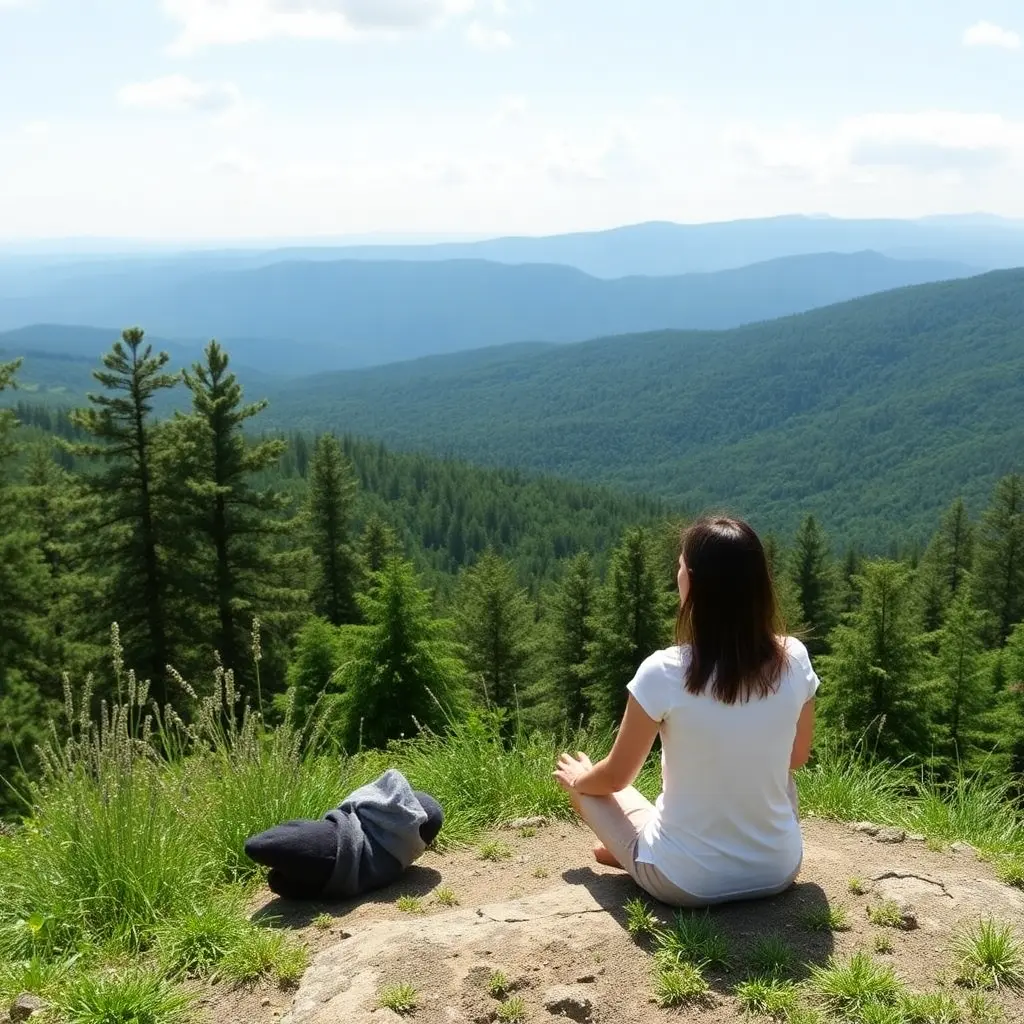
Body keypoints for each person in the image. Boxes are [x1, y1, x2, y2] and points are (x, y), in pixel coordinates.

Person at [553, 515, 818, 908]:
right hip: (778, 871)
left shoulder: (665, 671)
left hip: (686, 883)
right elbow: (796, 758)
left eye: (679, 566)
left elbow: (614, 778)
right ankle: (634, 846)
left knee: (584, 791)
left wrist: (579, 780)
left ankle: (635, 850)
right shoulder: (793, 657)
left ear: (692, 582)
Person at [245, 769, 444, 901]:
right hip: (348, 852)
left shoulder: (326, 843)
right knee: (281, 879)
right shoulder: (393, 861)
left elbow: (257, 846)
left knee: (275, 865)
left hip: (344, 840)